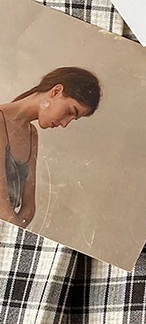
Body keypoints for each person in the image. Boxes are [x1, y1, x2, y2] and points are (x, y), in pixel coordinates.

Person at [0, 66, 101, 229]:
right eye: (70, 111)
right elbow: (2, 207)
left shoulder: (31, 135)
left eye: (73, 119)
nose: (65, 123)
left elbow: (29, 208)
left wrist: (16, 233)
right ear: (56, 91)